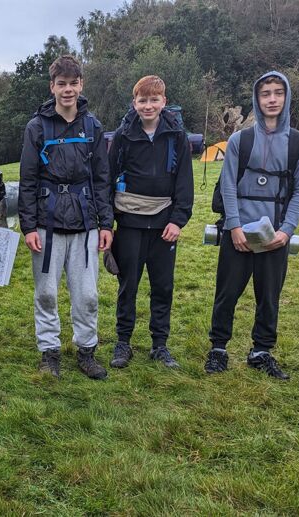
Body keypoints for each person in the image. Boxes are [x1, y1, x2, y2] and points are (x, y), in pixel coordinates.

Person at [205, 71, 299, 380]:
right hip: (238, 232)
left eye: (278, 93)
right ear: (257, 99)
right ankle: (218, 349)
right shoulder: (240, 140)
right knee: (226, 293)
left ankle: (261, 351)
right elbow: (228, 185)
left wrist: (286, 231)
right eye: (266, 94)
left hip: (275, 235)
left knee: (269, 296)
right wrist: (234, 227)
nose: (272, 99)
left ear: (286, 97)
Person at [18, 55, 113, 379]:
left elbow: (102, 179)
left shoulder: (92, 126)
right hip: (46, 222)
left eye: (73, 83)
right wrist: (29, 227)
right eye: (62, 84)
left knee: (87, 295)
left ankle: (86, 351)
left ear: (81, 85)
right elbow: (28, 180)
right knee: (46, 293)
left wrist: (105, 224)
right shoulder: (36, 127)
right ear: (52, 87)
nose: (68, 89)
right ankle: (49, 352)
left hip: (85, 222)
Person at [107, 75, 194, 370]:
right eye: (142, 100)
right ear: (134, 103)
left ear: (163, 102)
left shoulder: (177, 136)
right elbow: (107, 179)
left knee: (163, 287)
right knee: (127, 286)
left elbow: (184, 181)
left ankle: (160, 345)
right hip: (129, 223)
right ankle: (123, 342)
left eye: (154, 100)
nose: (148, 106)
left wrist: (178, 220)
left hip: (164, 226)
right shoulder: (122, 135)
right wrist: (107, 223)